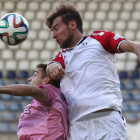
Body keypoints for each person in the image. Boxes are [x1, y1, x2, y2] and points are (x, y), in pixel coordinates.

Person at [45, 3, 140, 140]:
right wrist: (51, 67)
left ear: (72, 25)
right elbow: (51, 66)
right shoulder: (62, 56)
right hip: (77, 126)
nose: (53, 35)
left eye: (56, 28)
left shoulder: (99, 39)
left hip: (107, 120)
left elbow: (134, 46)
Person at [0, 64, 69, 140]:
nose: (29, 79)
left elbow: (32, 90)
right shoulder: (56, 97)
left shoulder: (50, 91)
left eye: (35, 75)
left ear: (46, 80)